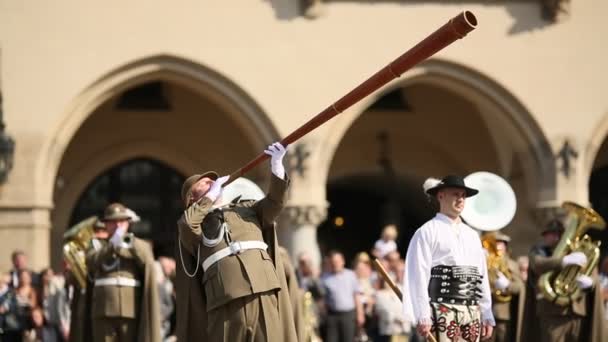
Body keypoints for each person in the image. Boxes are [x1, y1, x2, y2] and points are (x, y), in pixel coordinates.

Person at [175, 142, 297, 341]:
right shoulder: (194, 225)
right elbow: (187, 224)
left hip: (263, 288)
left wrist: (277, 167)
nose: (212, 184)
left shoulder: (248, 208)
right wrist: (209, 199)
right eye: (204, 185)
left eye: (212, 182)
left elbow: (275, 202)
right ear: (191, 200)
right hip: (225, 299)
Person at [403, 175, 495, 341]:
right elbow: (418, 275)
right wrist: (422, 314)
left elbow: (481, 276)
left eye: (463, 196)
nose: (460, 199)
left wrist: (487, 312)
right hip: (441, 309)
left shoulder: (472, 235)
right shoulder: (427, 231)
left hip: (471, 310)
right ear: (440, 195)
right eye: (455, 194)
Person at [521, 219, 606, 342]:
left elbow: (592, 273)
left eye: (559, 233)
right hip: (553, 312)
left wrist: (591, 283)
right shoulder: (540, 251)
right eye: (552, 234)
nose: (556, 237)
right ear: (545, 236)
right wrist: (563, 261)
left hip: (577, 312)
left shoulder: (578, 251)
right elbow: (538, 264)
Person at [86, 203, 160, 342]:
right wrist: (112, 244)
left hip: (130, 308)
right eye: (112, 222)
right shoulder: (96, 245)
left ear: (128, 223)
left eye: (121, 221)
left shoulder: (139, 244)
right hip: (103, 309)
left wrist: (129, 241)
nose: (117, 225)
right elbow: (92, 262)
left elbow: (146, 261)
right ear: (106, 224)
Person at [483, 232, 524, 342]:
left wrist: (507, 285)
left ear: (505, 246)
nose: (497, 246)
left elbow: (519, 287)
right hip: (484, 311)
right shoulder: (484, 262)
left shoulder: (511, 264)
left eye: (500, 243)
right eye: (494, 243)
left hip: (503, 314)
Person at [320, 250, 365, 342]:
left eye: (337, 261)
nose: (335, 264)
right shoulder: (325, 278)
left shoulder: (351, 275)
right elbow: (322, 298)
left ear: (342, 261)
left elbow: (356, 296)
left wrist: (360, 314)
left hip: (348, 314)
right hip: (332, 315)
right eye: (333, 262)